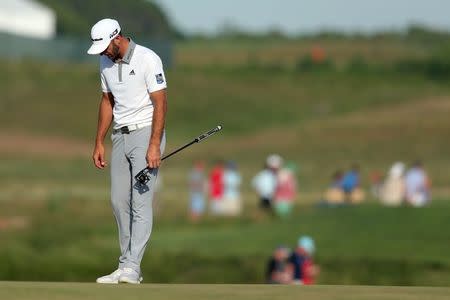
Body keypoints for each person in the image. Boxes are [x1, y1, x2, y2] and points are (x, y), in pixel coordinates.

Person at [88, 18, 168, 284]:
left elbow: (160, 103)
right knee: (118, 201)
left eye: (104, 47)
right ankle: (125, 265)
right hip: (119, 136)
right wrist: (99, 141)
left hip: (146, 134)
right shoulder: (105, 61)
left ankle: (133, 266)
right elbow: (107, 101)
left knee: (140, 202)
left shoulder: (148, 58)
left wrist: (154, 144)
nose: (101, 52)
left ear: (117, 38)